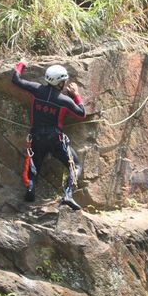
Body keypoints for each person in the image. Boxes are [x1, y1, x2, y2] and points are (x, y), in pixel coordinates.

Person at [12, 61, 86, 210]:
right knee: (76, 165)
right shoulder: (64, 100)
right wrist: (76, 95)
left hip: (36, 138)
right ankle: (68, 195)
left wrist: (22, 63)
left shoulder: (36, 89)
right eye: (64, 81)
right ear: (59, 83)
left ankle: (31, 190)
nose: (65, 84)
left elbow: (16, 79)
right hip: (55, 140)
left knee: (35, 166)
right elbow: (81, 113)